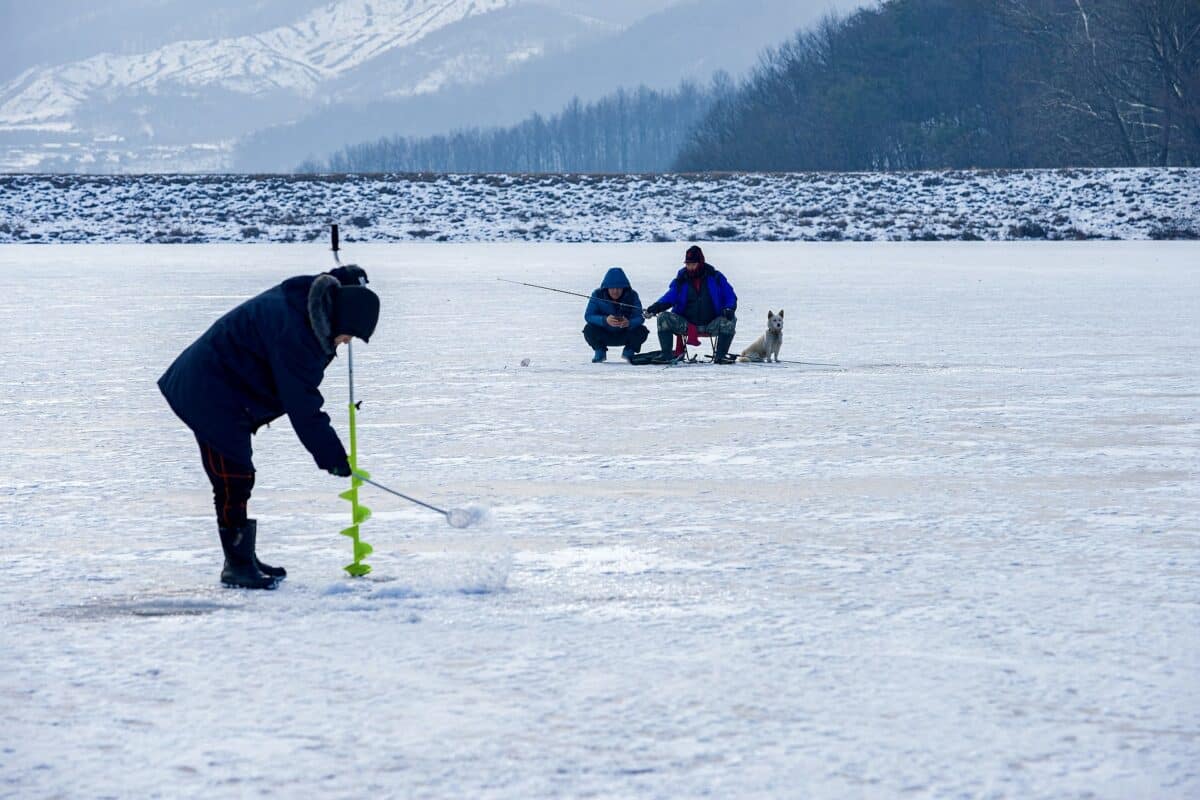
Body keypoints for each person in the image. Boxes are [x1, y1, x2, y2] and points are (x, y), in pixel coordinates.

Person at [158, 266, 380, 589]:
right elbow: (303, 406)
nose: (345, 343)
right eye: (349, 335)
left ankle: (242, 559)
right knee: (233, 477)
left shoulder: (311, 303)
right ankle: (237, 566)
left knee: (235, 477)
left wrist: (345, 277)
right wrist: (333, 457)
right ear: (341, 319)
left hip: (227, 388)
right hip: (208, 390)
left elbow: (329, 287)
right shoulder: (296, 334)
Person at [645, 245, 738, 362]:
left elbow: (730, 295)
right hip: (686, 325)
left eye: (693, 264)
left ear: (701, 263)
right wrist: (656, 307)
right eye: (688, 264)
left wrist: (729, 308)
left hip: (711, 324)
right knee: (663, 317)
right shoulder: (680, 280)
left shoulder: (716, 277)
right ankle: (666, 355)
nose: (690, 267)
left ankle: (720, 356)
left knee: (730, 319)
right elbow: (670, 296)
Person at [582, 267, 649, 363]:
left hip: (625, 333)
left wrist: (629, 323)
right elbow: (588, 316)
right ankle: (600, 351)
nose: (615, 291)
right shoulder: (597, 294)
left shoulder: (632, 295)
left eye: (618, 288)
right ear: (606, 287)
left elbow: (640, 317)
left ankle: (629, 351)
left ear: (624, 288)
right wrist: (605, 320)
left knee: (642, 330)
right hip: (604, 332)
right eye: (612, 288)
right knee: (589, 329)